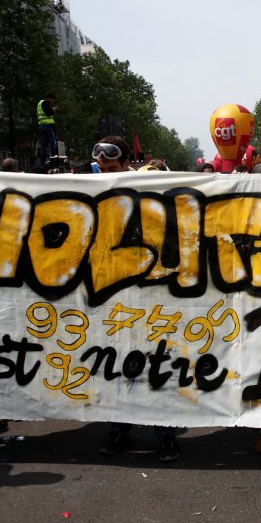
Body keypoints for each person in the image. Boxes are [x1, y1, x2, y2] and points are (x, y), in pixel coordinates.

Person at [91, 135, 180, 462]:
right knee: (113, 369)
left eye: (111, 167)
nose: (104, 172)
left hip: (152, 296)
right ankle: (119, 429)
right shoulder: (91, 191)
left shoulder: (149, 190)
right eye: (101, 167)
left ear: (126, 164)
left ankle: (165, 434)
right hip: (110, 298)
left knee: (157, 365)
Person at [36, 93, 59, 166]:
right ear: (49, 98)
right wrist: (54, 109)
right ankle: (54, 161)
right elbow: (48, 113)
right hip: (47, 126)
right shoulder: (45, 103)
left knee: (44, 145)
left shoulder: (39, 104)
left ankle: (42, 163)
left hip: (42, 126)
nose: (52, 102)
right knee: (53, 143)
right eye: (52, 100)